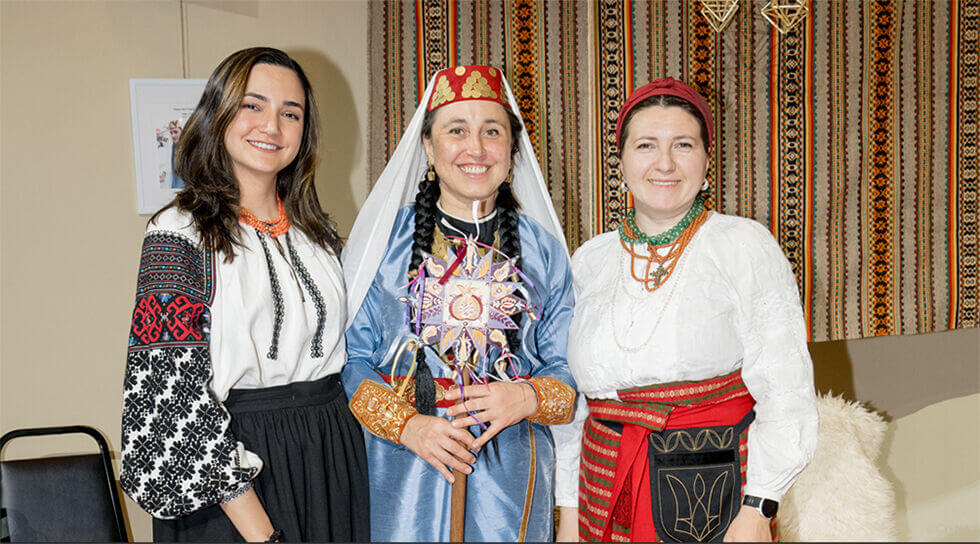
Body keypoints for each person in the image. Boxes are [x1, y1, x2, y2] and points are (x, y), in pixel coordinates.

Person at [120, 47, 369, 542]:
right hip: (233, 474)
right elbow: (169, 398)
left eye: (290, 113)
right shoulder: (178, 233)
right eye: (253, 105)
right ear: (218, 112)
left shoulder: (319, 235)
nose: (271, 126)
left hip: (329, 456)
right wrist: (262, 535)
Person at [553, 78, 819, 542]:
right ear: (621, 163)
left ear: (707, 161)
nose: (665, 163)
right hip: (602, 486)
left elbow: (786, 387)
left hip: (712, 492)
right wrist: (569, 513)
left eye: (683, 145)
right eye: (646, 145)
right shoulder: (590, 260)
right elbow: (575, 402)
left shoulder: (742, 245)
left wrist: (759, 507)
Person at [341, 65, 577, 542]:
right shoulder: (384, 244)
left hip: (511, 466)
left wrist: (527, 397)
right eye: (456, 131)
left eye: (492, 131)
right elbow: (350, 361)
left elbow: (568, 373)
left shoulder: (544, 251)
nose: (476, 148)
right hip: (403, 465)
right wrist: (408, 426)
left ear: (512, 149)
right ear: (429, 147)